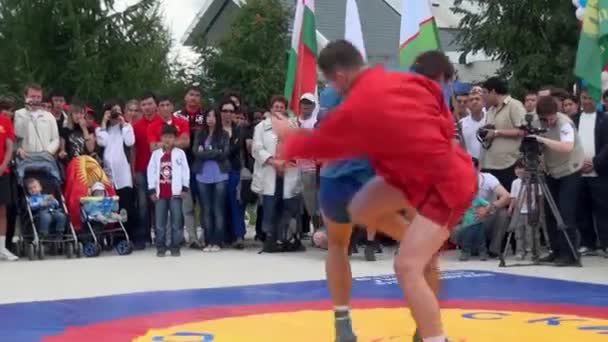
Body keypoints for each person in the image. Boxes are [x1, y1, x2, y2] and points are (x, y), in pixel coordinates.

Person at [272, 41, 476, 342]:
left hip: (437, 183)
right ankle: (416, 248)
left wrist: (288, 136)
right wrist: (439, 132)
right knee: (363, 209)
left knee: (406, 265)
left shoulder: (359, 102)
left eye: (330, 81)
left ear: (339, 76)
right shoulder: (404, 80)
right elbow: (434, 97)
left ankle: (432, 335)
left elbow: (324, 144)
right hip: (402, 175)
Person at [533, 96, 584, 266]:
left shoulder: (565, 123)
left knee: (565, 212)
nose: (552, 120)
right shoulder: (537, 122)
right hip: (551, 171)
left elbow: (566, 147)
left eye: (553, 116)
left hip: (570, 170)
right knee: (550, 213)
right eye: (548, 118)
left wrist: (541, 139)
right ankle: (555, 250)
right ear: (541, 116)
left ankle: (569, 253)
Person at [252, 95, 303, 253]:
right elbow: (257, 148)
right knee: (270, 207)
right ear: (271, 109)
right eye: (276, 107)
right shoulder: (261, 127)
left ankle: (287, 238)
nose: (279, 110)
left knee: (289, 207)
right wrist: (274, 162)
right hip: (270, 171)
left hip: (288, 172)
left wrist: (287, 161)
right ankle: (269, 240)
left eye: (281, 107)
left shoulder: (293, 126)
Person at [96, 101, 137, 244]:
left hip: (124, 175)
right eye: (112, 112)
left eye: (118, 111)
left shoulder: (126, 128)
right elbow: (102, 142)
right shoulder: (102, 130)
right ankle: (114, 237)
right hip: (108, 176)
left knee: (126, 207)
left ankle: (129, 237)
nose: (115, 114)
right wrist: (104, 121)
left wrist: (124, 123)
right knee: (112, 208)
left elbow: (130, 141)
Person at [573, 89, 608, 256]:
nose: (587, 102)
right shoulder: (573, 120)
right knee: (582, 209)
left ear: (598, 99)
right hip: (578, 171)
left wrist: (594, 162)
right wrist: (579, 162)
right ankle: (588, 243)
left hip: (600, 171)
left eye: (590, 98)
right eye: (584, 98)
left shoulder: (605, 119)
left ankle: (606, 243)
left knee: (603, 209)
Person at [147, 124, 190, 257]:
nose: (167, 140)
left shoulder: (180, 154)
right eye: (165, 137)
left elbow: (185, 171)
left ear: (175, 139)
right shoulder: (155, 154)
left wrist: (184, 187)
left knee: (176, 220)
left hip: (175, 193)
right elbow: (151, 172)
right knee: (160, 222)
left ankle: (175, 246)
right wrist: (152, 190)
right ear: (161, 138)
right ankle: (160, 246)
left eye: (170, 137)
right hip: (160, 193)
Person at [479, 77, 526, 191]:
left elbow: (524, 130)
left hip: (508, 164)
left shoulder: (514, 105)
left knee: (509, 202)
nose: (482, 96)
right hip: (489, 164)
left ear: (493, 91)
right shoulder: (490, 110)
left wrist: (496, 132)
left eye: (485, 92)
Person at [193, 108, 230, 252]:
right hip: (202, 175)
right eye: (208, 116)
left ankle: (218, 241)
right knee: (206, 209)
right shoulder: (199, 134)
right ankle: (208, 240)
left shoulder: (224, 134)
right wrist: (215, 152)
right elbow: (196, 152)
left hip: (220, 175)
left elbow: (224, 153)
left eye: (214, 116)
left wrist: (207, 152)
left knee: (218, 208)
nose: (211, 119)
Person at [132, 92, 162, 248]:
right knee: (143, 204)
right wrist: (132, 171)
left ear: (155, 105)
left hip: (159, 170)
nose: (147, 107)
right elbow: (133, 150)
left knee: (158, 203)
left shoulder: (162, 122)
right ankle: (144, 237)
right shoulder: (136, 125)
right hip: (141, 169)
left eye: (150, 104)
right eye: (144, 105)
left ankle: (160, 235)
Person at [219, 99, 247, 248]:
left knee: (236, 203)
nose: (228, 114)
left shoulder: (239, 130)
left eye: (231, 111)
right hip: (218, 171)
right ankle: (223, 235)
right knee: (220, 204)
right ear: (220, 113)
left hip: (234, 170)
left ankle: (238, 235)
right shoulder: (215, 130)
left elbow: (235, 149)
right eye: (225, 111)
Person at [14, 84, 60, 159]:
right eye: (32, 96)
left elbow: (55, 139)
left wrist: (48, 152)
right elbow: (18, 134)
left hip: (45, 156)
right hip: (25, 157)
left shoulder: (49, 116)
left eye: (38, 97)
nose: (36, 99)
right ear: (26, 97)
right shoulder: (19, 114)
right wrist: (27, 112)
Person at [508, 160, 542, 260]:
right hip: (519, 212)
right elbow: (513, 197)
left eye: (521, 168)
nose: (518, 171)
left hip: (530, 212)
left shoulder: (535, 182)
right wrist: (511, 208)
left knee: (530, 233)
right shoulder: (515, 182)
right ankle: (520, 251)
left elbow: (539, 197)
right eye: (516, 168)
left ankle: (531, 251)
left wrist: (538, 210)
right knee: (519, 233)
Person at [0, 99, 17, 261]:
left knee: (3, 210)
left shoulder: (5, 122)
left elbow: (9, 147)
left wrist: (3, 166)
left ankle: (2, 247)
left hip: (2, 172)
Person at [457, 184, 490, 261]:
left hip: (478, 223)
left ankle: (483, 253)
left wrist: (485, 210)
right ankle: (465, 253)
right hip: (467, 224)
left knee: (481, 239)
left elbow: (488, 204)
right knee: (466, 240)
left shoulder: (478, 199)